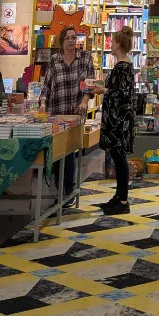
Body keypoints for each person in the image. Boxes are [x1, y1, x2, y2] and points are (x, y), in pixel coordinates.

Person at [38, 26, 93, 205]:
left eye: (73, 37)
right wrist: (42, 103)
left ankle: (67, 191)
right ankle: (61, 190)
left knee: (69, 151)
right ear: (61, 41)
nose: (71, 41)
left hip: (75, 113)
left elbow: (90, 85)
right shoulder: (54, 60)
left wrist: (84, 101)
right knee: (56, 151)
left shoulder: (85, 58)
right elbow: (47, 85)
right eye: (67, 38)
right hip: (56, 111)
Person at [89, 24, 136, 215]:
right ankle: (118, 196)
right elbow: (120, 91)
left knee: (119, 158)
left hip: (119, 122)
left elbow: (121, 94)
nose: (110, 44)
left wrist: (104, 90)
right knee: (118, 158)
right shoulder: (123, 66)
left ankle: (123, 201)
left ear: (117, 44)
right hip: (119, 120)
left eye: (112, 42)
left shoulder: (122, 67)